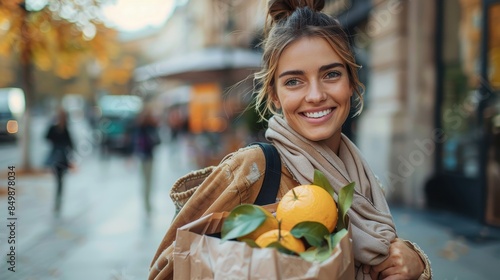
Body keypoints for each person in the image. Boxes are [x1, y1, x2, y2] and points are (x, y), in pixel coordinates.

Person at [149, 0, 432, 279]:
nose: (315, 95)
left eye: (331, 74)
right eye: (294, 81)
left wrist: (415, 262)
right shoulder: (253, 169)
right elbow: (165, 267)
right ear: (274, 94)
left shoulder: (363, 179)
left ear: (352, 82)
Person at [131, 106, 160, 215]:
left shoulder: (140, 126)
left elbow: (135, 142)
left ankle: (146, 203)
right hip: (149, 156)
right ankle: (147, 204)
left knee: (145, 181)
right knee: (149, 181)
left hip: (143, 156)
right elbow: (157, 141)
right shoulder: (150, 126)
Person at [45, 108, 74, 215]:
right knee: (59, 179)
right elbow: (71, 144)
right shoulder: (58, 128)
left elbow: (71, 144)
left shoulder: (63, 129)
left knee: (59, 179)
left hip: (60, 157)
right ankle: (58, 197)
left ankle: (58, 198)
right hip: (59, 156)